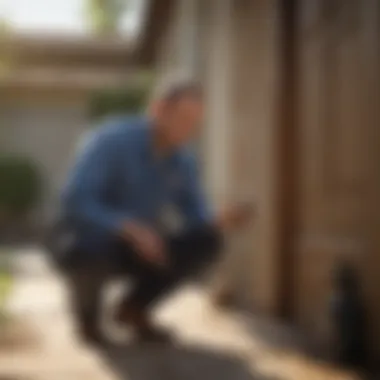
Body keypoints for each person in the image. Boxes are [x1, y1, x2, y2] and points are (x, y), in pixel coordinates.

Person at [57, 78, 253, 346]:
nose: (189, 130)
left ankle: (133, 308)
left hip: (144, 244)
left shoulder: (183, 160)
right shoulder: (110, 139)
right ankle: (88, 321)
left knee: (206, 240)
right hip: (94, 238)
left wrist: (218, 219)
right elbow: (76, 199)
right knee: (83, 248)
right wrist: (130, 228)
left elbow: (195, 214)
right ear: (158, 110)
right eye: (183, 119)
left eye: (195, 123)